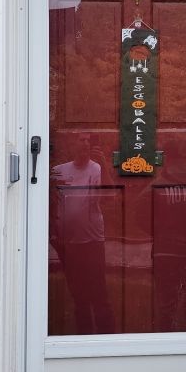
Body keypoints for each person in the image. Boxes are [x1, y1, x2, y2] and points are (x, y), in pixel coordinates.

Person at [50, 133, 116, 334]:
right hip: (68, 243)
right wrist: (54, 236)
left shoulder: (97, 168)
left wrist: (104, 164)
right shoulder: (58, 172)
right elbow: (49, 205)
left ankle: (107, 339)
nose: (86, 144)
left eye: (89, 140)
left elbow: (110, 196)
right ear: (72, 144)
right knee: (78, 295)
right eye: (81, 140)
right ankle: (84, 337)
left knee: (99, 291)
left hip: (92, 240)